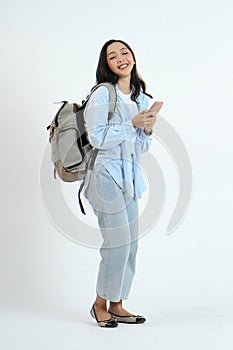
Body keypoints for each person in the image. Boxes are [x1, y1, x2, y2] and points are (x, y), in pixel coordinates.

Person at [83, 39, 163, 328]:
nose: (120, 58)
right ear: (106, 64)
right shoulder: (103, 94)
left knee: (130, 246)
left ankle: (117, 304)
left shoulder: (141, 98)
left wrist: (147, 127)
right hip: (105, 177)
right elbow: (97, 138)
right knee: (116, 244)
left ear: (133, 57)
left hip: (130, 178)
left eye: (125, 52)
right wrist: (131, 124)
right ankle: (99, 304)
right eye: (112, 56)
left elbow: (141, 147)